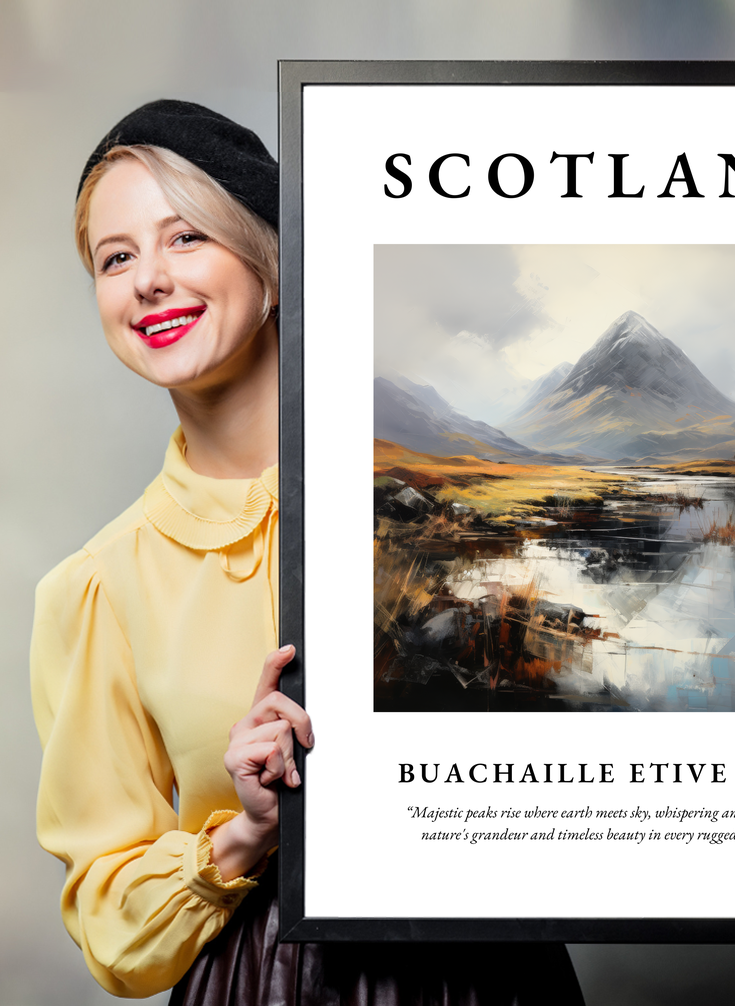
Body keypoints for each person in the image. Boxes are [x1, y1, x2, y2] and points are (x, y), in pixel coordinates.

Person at [30, 100, 585, 1004]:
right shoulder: (97, 587)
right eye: (116, 257)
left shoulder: (435, 510)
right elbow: (110, 924)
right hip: (263, 982)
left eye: (186, 239)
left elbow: (614, 720)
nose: (148, 281)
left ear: (273, 264)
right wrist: (245, 832)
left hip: (492, 974)